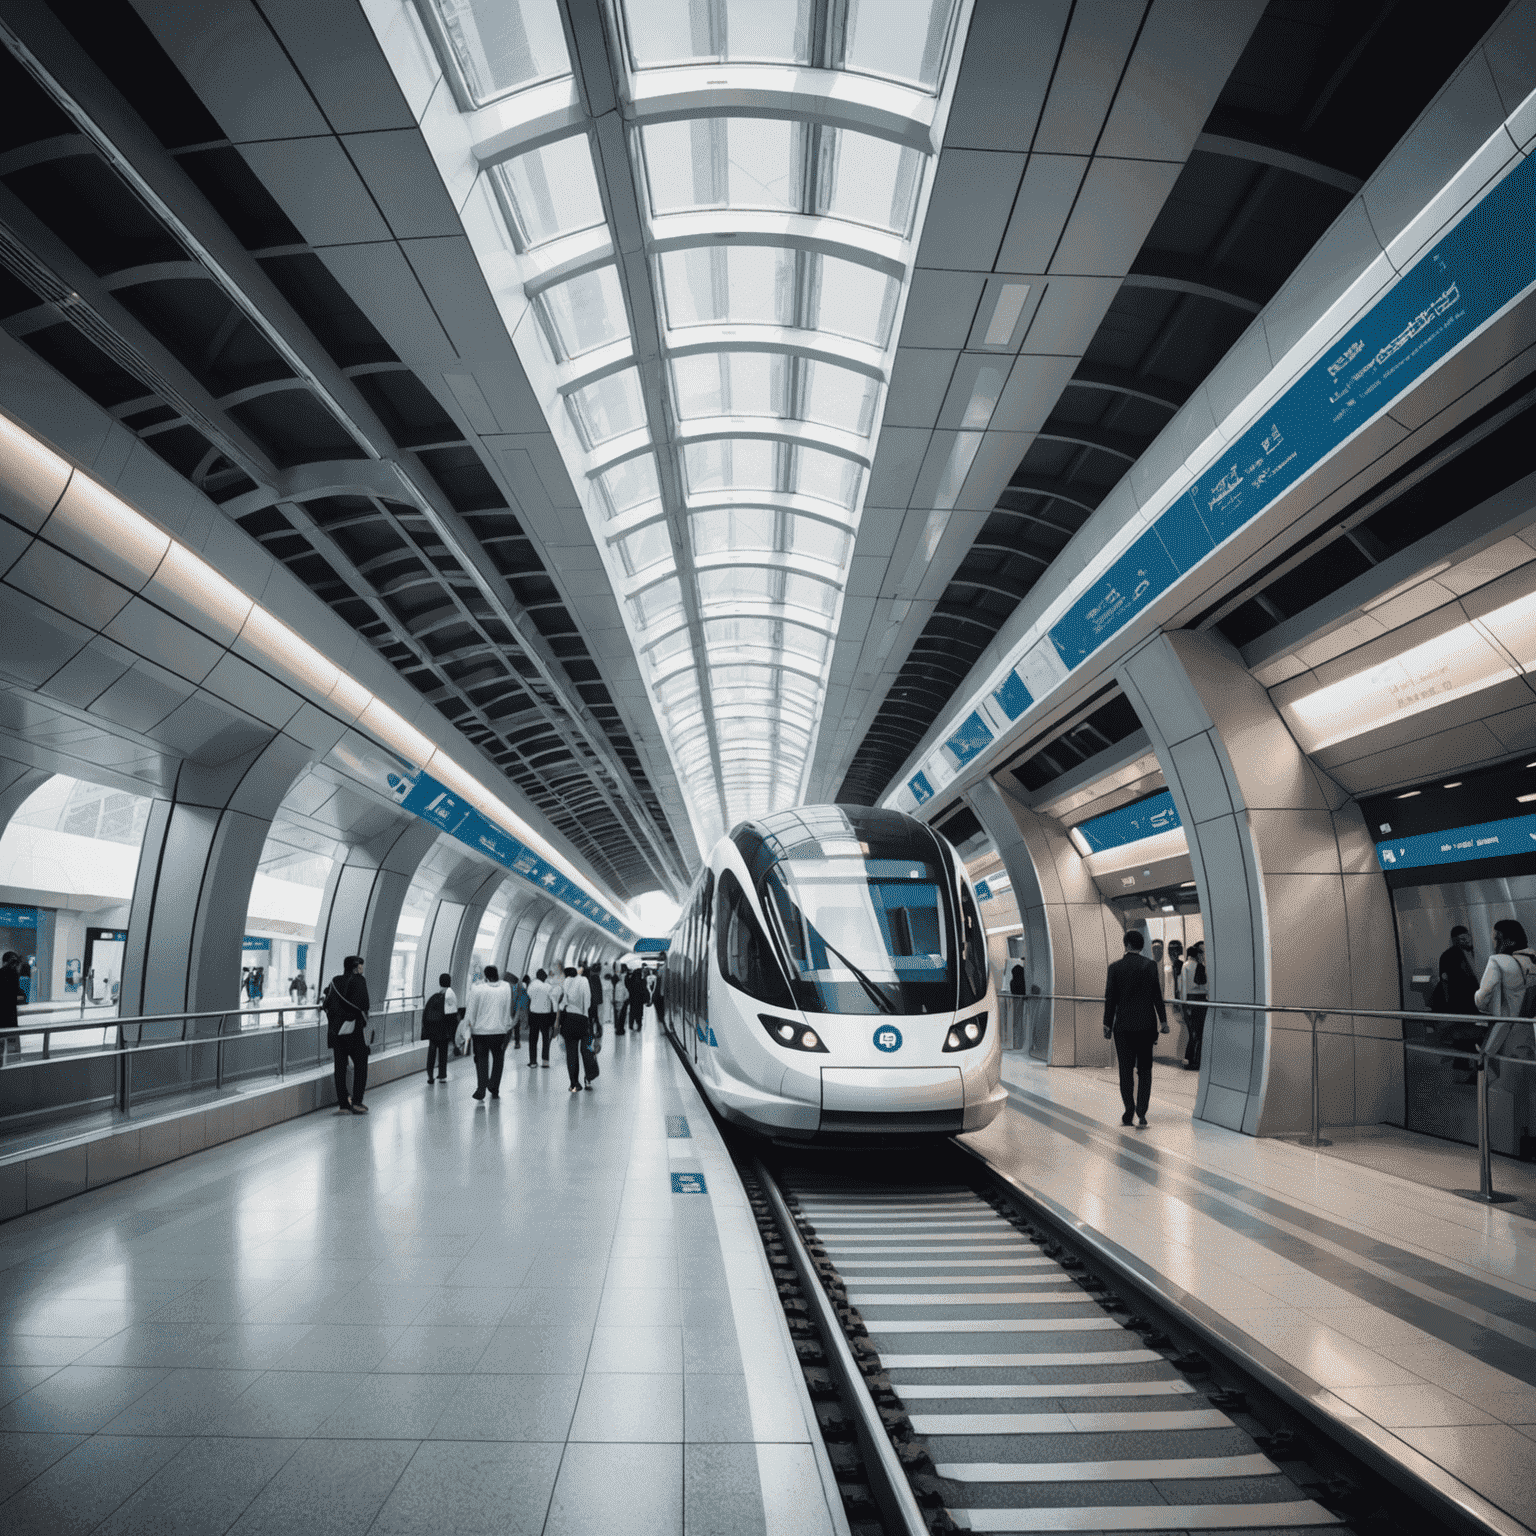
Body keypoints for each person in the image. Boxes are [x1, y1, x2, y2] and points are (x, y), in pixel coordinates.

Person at [1102, 929, 1169, 1128]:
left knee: (1125, 1069)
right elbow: (1157, 995)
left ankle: (1129, 1108)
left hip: (1122, 1027)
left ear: (1126, 944)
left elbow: (1110, 998)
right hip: (1146, 1026)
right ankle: (1142, 1111)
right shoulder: (1149, 966)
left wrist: (1107, 1023)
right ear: (1141, 946)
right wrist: (1163, 1021)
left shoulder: (1115, 967)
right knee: (1145, 1070)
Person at [323, 955, 371, 1114]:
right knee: (361, 1064)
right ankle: (357, 1102)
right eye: (361, 965)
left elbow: (326, 1003)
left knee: (340, 1067)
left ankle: (343, 1104)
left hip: (337, 1031)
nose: (362, 968)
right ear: (356, 966)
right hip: (354, 1030)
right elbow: (365, 1004)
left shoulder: (335, 981)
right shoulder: (359, 980)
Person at [464, 964, 514, 1101]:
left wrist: (469, 1026)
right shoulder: (505, 988)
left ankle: (481, 1089)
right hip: (499, 1031)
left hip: (480, 1032)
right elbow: (507, 1008)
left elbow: (471, 1011)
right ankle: (494, 1086)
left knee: (481, 1059)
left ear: (485, 976)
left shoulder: (477, 989)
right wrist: (506, 1026)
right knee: (498, 1058)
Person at [1475, 920, 1536, 1018]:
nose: (1494, 945)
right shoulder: (1533, 959)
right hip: (1532, 1027)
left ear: (1509, 942)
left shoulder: (1498, 961)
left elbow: (1482, 1000)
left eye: (1496, 939)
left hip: (1508, 1026)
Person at [558, 964, 592, 1092]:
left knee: (571, 1054)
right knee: (586, 1051)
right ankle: (588, 1078)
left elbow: (562, 1003)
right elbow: (587, 1000)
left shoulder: (566, 982)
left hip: (569, 1020)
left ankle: (574, 1084)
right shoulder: (583, 981)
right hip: (582, 1019)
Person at [422, 970, 458, 1084]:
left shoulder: (434, 997)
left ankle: (430, 1076)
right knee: (443, 1053)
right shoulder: (450, 995)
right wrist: (452, 1033)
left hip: (432, 1030)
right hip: (443, 1030)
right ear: (449, 982)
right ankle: (442, 1076)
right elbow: (451, 1015)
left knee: (431, 1053)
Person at [1436, 926, 1479, 1016]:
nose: (1467, 940)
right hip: (1461, 999)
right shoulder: (1448, 956)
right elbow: (1444, 980)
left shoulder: (1477, 951)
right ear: (1455, 941)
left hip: (1474, 997)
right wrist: (1447, 1001)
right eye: (1462, 939)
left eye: (1468, 937)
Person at [1179, 941, 1208, 1071]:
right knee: (1200, 1032)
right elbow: (1205, 986)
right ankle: (1196, 1059)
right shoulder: (1200, 966)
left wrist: (1184, 1004)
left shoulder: (1186, 966)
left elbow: (1183, 987)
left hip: (1190, 1000)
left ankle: (1190, 1058)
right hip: (1202, 1000)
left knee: (1193, 1032)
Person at [527, 968, 555, 1067]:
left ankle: (533, 1061)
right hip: (545, 1015)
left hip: (534, 1014)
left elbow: (529, 996)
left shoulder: (532, 985)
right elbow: (553, 1001)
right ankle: (545, 1061)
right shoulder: (548, 987)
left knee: (533, 1039)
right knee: (545, 1039)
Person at [0, 951, 24, 1060]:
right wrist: (17, 999)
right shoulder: (14, 974)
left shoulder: (2, 973)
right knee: (13, 1051)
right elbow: (21, 997)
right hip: (11, 1018)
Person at [627, 965, 649, 1033]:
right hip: (640, 1000)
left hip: (632, 999)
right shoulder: (643, 981)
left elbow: (628, 988)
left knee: (632, 1012)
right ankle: (639, 1025)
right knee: (639, 1013)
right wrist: (646, 999)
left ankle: (631, 1025)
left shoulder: (631, 981)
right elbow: (645, 990)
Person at [614, 963, 629, 1034]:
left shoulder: (616, 982)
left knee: (618, 1015)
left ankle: (618, 1029)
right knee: (622, 1015)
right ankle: (621, 1029)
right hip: (623, 999)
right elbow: (626, 991)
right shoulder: (625, 979)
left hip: (617, 999)